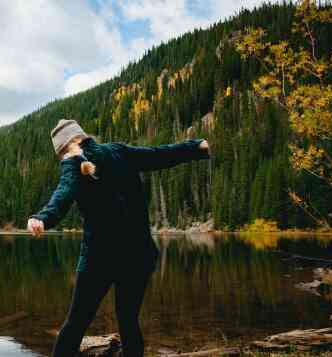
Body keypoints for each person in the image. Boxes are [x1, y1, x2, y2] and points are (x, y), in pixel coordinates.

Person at [27, 119, 210, 357]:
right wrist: (196, 147)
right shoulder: (118, 151)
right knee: (128, 322)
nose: (61, 157)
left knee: (75, 324)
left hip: (99, 260)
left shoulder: (72, 163)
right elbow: (159, 155)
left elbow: (63, 194)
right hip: (138, 255)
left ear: (67, 146)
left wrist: (42, 217)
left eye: (60, 152)